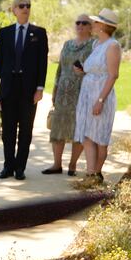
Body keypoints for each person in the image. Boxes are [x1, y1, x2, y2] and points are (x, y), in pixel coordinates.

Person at [0, 0, 49, 181]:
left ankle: (20, 168)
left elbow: (43, 63)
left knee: (26, 130)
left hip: (29, 90)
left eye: (28, 6)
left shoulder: (39, 33)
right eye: (21, 5)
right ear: (14, 10)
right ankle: (8, 166)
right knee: (8, 131)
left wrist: (40, 88)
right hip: (8, 88)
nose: (25, 8)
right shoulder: (5, 32)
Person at [74, 8, 122, 185]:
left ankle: (97, 172)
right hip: (87, 95)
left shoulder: (112, 46)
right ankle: (90, 174)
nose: (92, 25)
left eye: (96, 22)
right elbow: (94, 69)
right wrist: (82, 70)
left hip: (101, 96)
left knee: (100, 138)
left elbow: (113, 75)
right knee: (87, 135)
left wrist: (100, 100)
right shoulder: (96, 45)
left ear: (103, 26)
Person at [42, 14, 93, 176]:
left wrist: (85, 71)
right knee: (57, 126)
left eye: (85, 23)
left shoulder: (94, 45)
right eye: (78, 22)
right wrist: (55, 89)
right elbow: (60, 69)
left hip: (82, 91)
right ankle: (57, 164)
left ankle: (73, 164)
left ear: (91, 27)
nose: (80, 25)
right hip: (63, 91)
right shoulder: (67, 44)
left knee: (78, 128)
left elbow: (98, 69)